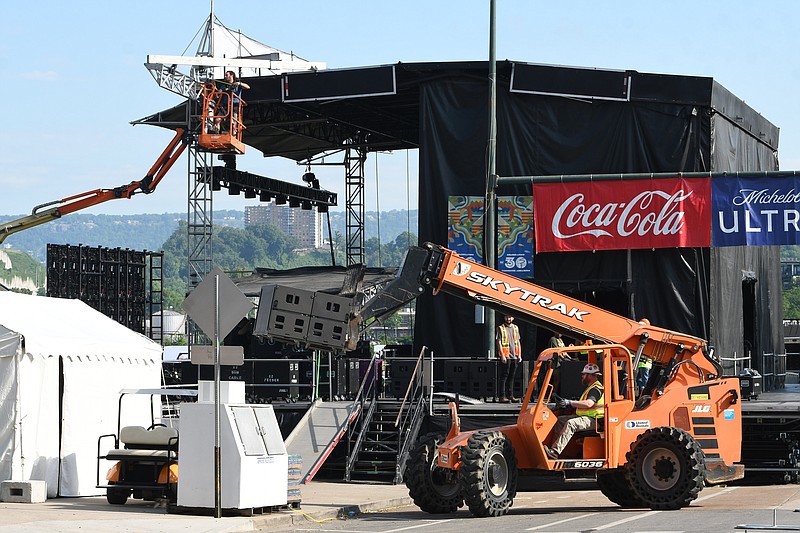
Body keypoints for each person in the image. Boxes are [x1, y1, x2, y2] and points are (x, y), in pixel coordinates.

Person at [544, 362, 604, 459]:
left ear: (591, 375)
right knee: (560, 420)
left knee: (571, 423)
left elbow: (589, 403)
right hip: (587, 418)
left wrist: (569, 402)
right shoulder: (590, 388)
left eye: (584, 374)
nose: (582, 376)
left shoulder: (596, 389)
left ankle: (555, 452)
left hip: (594, 420)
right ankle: (556, 450)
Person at [496, 314, 522, 403]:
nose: (508, 318)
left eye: (510, 317)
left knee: (511, 377)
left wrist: (519, 355)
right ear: (504, 318)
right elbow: (499, 342)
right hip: (506, 356)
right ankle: (502, 396)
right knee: (504, 376)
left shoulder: (515, 328)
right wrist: (502, 355)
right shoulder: (501, 328)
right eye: (507, 317)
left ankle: (510, 395)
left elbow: (518, 342)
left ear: (513, 318)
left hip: (514, 356)